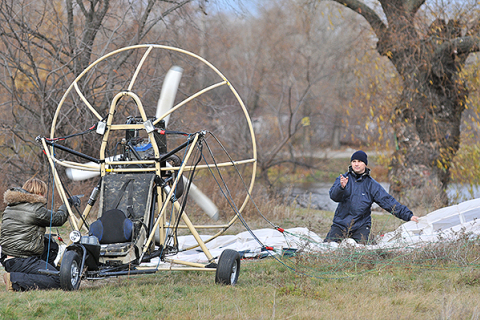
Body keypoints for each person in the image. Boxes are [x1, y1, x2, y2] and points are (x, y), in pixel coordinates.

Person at [324, 150, 419, 244]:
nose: (356, 164)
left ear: (365, 164)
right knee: (328, 247)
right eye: (354, 161)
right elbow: (333, 196)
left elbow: (388, 202)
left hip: (361, 226)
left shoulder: (372, 185)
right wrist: (341, 187)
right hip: (341, 224)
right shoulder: (343, 179)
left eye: (359, 161)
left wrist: (408, 216)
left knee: (361, 253)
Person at [0, 177, 69, 291]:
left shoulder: (10, 207)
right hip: (23, 260)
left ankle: (18, 275)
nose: (44, 197)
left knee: (48, 243)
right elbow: (58, 219)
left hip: (8, 259)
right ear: (39, 193)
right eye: (43, 193)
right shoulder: (34, 209)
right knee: (60, 280)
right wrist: (67, 205)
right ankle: (14, 279)